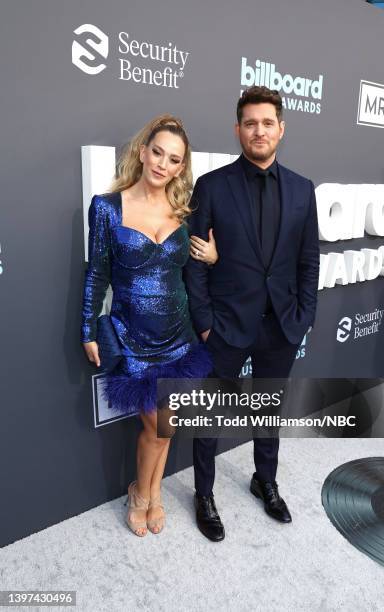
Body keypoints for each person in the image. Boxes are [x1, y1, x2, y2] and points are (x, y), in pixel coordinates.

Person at [184, 86, 320, 542]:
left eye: (267, 123)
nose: (258, 131)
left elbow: (308, 261)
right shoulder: (212, 186)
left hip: (281, 324)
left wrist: (303, 316)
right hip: (224, 324)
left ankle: (266, 479)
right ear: (237, 129)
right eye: (249, 123)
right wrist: (204, 322)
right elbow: (195, 261)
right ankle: (204, 494)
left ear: (281, 128)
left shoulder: (303, 190)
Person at [81, 115, 217, 537]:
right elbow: (96, 275)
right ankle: (141, 492)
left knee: (166, 424)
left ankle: (150, 493)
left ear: (180, 168)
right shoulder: (106, 208)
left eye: (173, 159)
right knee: (154, 424)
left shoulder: (183, 211)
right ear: (142, 152)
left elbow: (196, 270)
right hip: (132, 336)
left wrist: (213, 258)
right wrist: (87, 328)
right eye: (157, 152)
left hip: (178, 335)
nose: (162, 164)